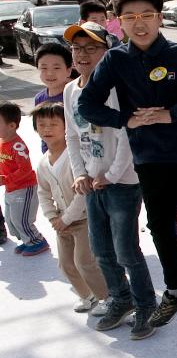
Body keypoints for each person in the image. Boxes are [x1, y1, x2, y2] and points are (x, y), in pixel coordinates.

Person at [76, 0, 177, 337]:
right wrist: (124, 120)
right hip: (148, 159)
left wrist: (171, 114)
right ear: (119, 21)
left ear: (160, 18)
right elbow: (88, 103)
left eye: (147, 14)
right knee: (161, 227)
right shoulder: (115, 60)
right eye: (130, 17)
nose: (139, 22)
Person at [62, 21, 155, 338]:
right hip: (92, 183)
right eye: (76, 48)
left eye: (91, 48)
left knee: (126, 250)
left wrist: (110, 175)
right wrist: (80, 174)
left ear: (108, 52)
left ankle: (146, 305)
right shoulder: (71, 90)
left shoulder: (117, 90)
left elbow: (130, 134)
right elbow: (72, 137)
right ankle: (121, 297)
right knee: (101, 251)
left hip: (123, 182)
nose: (82, 55)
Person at [33, 103, 108, 312]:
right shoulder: (42, 162)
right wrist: (52, 217)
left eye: (53, 124)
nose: (46, 129)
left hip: (83, 218)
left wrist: (65, 219)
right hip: (60, 221)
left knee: (85, 261)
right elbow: (43, 192)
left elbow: (82, 193)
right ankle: (87, 295)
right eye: (41, 125)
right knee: (65, 264)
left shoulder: (74, 157)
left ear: (67, 127)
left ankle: (107, 298)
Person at [0, 100, 49, 256]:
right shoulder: (3, 142)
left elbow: (25, 170)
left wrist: (6, 179)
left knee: (21, 219)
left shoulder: (17, 146)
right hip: (11, 188)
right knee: (11, 220)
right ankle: (27, 240)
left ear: (12, 126)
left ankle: (37, 241)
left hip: (24, 188)